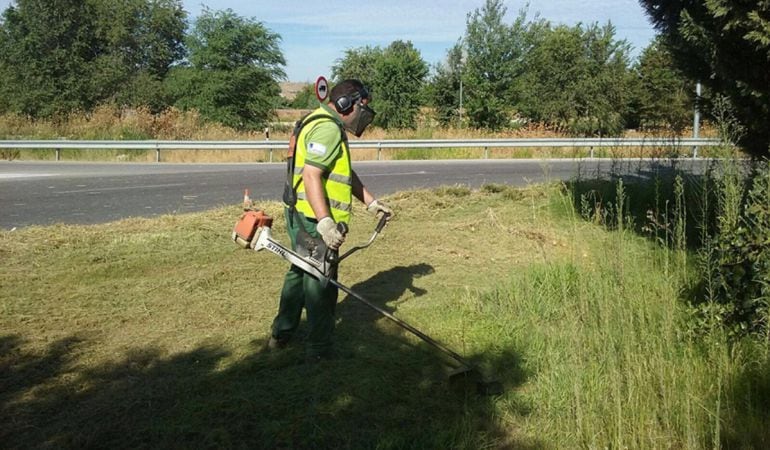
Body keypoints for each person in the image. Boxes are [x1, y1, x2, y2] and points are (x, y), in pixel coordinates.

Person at [268, 79, 393, 361]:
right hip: (313, 220)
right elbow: (312, 175)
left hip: (300, 213)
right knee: (320, 283)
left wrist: (371, 203)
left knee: (299, 273)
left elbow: (342, 172)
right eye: (362, 106)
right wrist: (325, 223)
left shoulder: (320, 121)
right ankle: (320, 350)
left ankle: (281, 334)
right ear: (346, 104)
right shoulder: (328, 129)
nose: (364, 114)